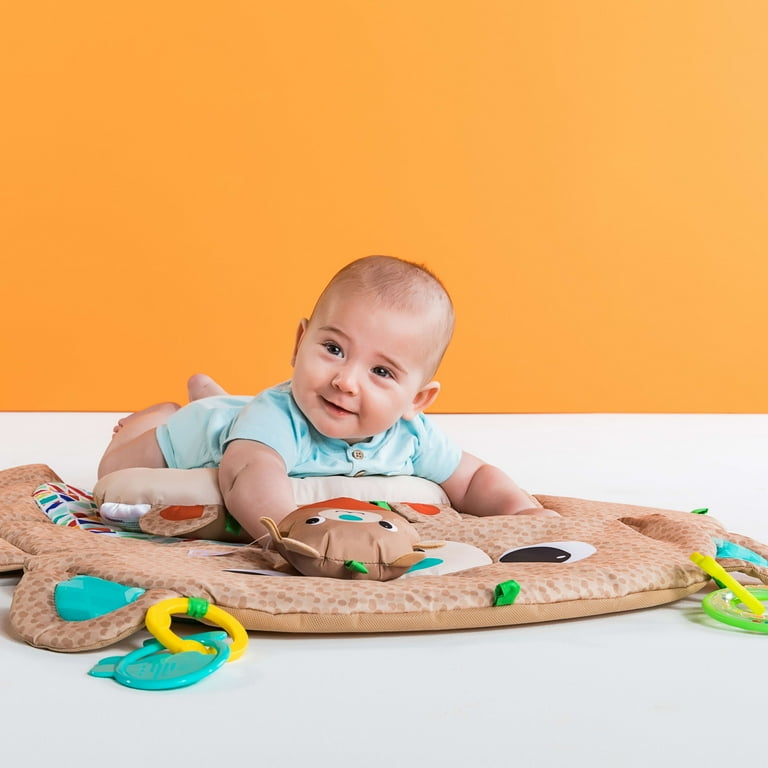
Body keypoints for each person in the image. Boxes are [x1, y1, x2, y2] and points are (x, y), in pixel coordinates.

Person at [98, 255, 555, 540]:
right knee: (113, 469)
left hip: (240, 412)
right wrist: (291, 533)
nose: (346, 381)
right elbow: (249, 478)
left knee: (232, 406)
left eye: (381, 372)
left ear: (417, 399)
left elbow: (473, 479)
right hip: (202, 433)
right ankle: (163, 412)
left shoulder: (413, 435)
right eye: (333, 349)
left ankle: (210, 391)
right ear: (300, 343)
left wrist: (520, 511)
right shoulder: (277, 419)